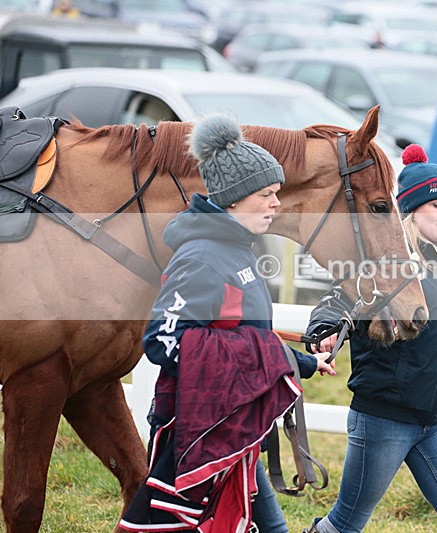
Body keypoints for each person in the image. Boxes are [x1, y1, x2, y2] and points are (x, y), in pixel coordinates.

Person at [118, 115, 335, 533]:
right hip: (199, 427)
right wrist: (256, 357)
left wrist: (302, 361)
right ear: (234, 198)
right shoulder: (201, 257)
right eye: (267, 194)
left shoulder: (238, 249)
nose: (276, 204)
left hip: (232, 421)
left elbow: (242, 336)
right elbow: (162, 340)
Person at [302, 144, 437, 533]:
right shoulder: (383, 262)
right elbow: (337, 300)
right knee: (345, 524)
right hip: (384, 417)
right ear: (411, 210)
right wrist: (325, 329)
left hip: (434, 418)